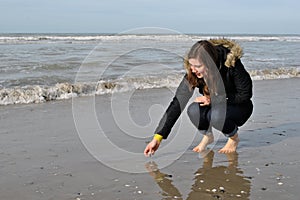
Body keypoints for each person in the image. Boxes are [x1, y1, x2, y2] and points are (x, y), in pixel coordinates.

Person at [144, 39, 253, 156]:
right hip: (218, 105)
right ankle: (208, 137)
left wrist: (214, 100)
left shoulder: (230, 63)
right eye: (191, 65)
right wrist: (158, 137)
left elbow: (245, 94)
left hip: (239, 107)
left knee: (216, 116)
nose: (193, 70)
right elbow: (178, 102)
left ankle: (233, 138)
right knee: (194, 110)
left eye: (198, 66)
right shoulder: (194, 72)